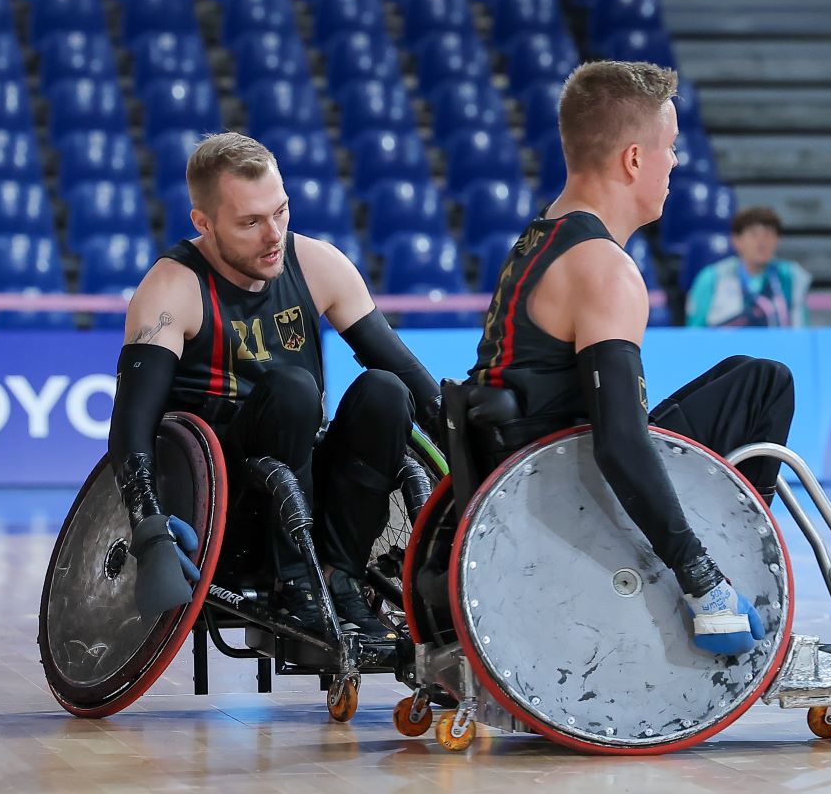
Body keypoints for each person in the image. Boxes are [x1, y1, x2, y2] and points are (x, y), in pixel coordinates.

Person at [467, 60, 795, 656]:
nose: (676, 162)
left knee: (749, 378)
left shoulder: (540, 237)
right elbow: (619, 442)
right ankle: (732, 582)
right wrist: (699, 577)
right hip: (565, 487)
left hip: (525, 467)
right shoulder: (604, 269)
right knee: (766, 386)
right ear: (635, 159)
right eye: (670, 147)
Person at [108, 133, 442, 639]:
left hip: (310, 493)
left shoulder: (318, 263)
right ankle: (296, 587)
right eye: (250, 222)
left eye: (280, 212)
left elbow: (415, 383)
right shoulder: (171, 288)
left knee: (386, 392)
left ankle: (341, 578)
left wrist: (480, 466)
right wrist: (149, 528)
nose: (273, 235)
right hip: (227, 511)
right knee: (293, 390)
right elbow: (132, 428)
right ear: (203, 223)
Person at [685, 206, 811, 327]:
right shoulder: (712, 278)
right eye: (753, 234)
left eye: (768, 234)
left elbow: (800, 330)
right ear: (736, 241)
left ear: (778, 240)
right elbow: (695, 332)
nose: (762, 242)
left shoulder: (791, 276)